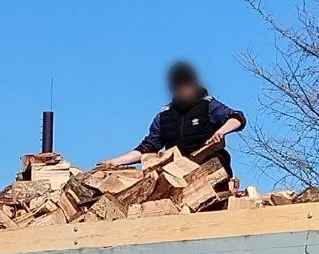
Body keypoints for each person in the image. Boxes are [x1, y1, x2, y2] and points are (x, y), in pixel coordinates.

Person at [98, 61, 246, 173]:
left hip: (212, 168)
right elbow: (147, 148)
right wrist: (115, 161)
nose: (185, 90)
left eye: (187, 85)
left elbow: (237, 118)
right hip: (179, 173)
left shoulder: (208, 105)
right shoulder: (164, 115)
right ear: (173, 89)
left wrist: (220, 132)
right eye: (180, 87)